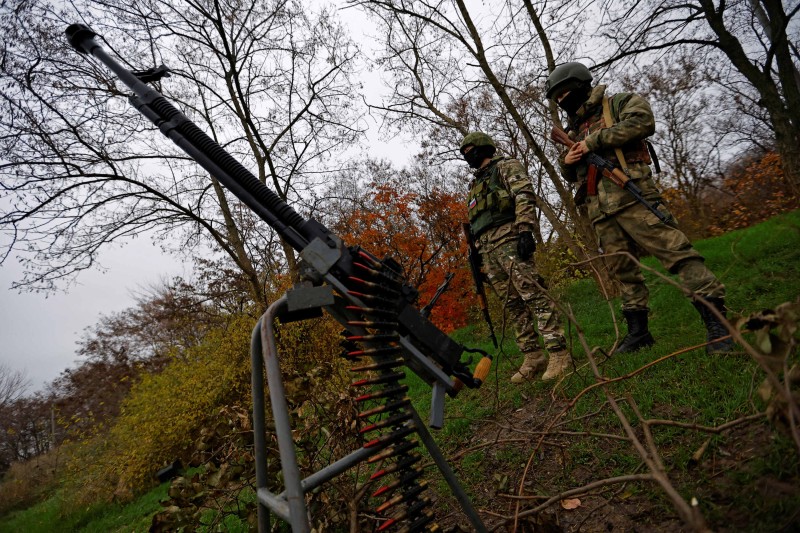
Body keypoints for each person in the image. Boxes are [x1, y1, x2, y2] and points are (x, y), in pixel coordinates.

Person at [544, 62, 734, 354]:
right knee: (623, 271)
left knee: (677, 253)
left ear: (580, 85)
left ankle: (718, 324)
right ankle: (639, 333)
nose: (562, 101)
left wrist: (594, 141)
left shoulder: (618, 103)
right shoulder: (573, 129)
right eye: (557, 98)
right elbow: (571, 173)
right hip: (600, 212)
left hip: (634, 197)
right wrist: (566, 162)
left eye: (564, 93)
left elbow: (643, 122)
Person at [460, 132, 571, 382]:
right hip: (487, 249)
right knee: (512, 304)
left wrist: (525, 230)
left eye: (470, 150)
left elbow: (523, 195)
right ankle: (533, 356)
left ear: (483, 148)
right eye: (464, 153)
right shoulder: (474, 186)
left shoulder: (505, 167)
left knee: (533, 294)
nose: (468, 156)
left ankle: (558, 352)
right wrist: (477, 255)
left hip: (509, 239)